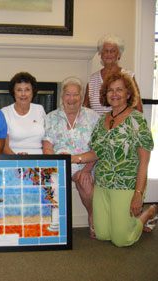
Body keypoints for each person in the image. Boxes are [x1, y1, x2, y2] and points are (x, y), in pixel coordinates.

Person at [72, 72, 157, 247]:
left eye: (119, 89)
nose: (114, 94)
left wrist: (138, 195)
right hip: (102, 183)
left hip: (126, 185)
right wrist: (73, 158)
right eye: (110, 90)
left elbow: (144, 162)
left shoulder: (137, 120)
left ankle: (148, 213)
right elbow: (97, 152)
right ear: (105, 94)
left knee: (122, 240)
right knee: (102, 234)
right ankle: (128, 222)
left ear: (128, 93)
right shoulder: (103, 119)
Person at [43, 77, 100, 238]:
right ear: (62, 96)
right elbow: (47, 147)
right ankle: (55, 224)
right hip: (60, 163)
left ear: (81, 96)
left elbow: (98, 148)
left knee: (86, 181)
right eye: (68, 94)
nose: (72, 99)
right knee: (52, 181)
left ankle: (92, 216)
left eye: (76, 95)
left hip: (85, 162)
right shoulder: (51, 117)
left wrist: (87, 169)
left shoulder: (93, 117)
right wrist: (55, 165)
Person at [83, 34, 143, 115]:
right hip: (97, 126)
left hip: (122, 126)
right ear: (101, 54)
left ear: (119, 54)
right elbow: (85, 108)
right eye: (105, 51)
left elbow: (138, 108)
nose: (109, 54)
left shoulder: (128, 76)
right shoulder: (92, 79)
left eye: (113, 51)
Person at [1, 72, 46, 154]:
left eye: (27, 90)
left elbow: (46, 140)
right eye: (19, 90)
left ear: (33, 92)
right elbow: (4, 146)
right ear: (13, 92)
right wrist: (18, 162)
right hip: (14, 160)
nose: (23, 94)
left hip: (39, 160)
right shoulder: (5, 112)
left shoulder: (40, 109)